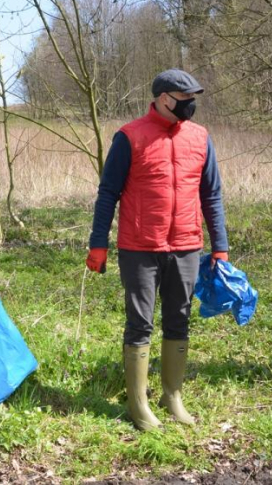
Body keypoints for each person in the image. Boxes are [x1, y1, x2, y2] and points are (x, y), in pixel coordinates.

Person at [86, 68, 229, 430]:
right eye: (185, 99)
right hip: (140, 246)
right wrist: (98, 243)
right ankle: (139, 404)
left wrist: (220, 246)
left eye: (193, 98)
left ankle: (172, 396)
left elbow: (211, 194)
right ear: (164, 98)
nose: (191, 105)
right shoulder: (129, 137)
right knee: (140, 324)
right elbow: (107, 195)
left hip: (186, 246)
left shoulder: (200, 138)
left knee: (179, 318)